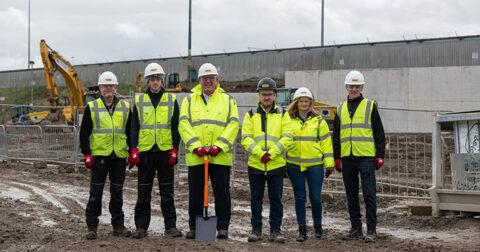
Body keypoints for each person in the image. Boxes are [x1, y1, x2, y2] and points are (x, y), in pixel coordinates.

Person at [178, 63, 239, 239]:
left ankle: (222, 227)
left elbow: (233, 124)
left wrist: (219, 146)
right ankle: (195, 227)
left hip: (219, 156)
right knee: (196, 192)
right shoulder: (189, 100)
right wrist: (195, 145)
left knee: (221, 192)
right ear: (199, 80)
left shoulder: (228, 100)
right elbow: (184, 123)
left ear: (216, 80)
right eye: (205, 78)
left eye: (211, 78)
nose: (208, 81)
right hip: (197, 156)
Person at [129, 63, 182, 239]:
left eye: (158, 79)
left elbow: (176, 127)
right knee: (143, 192)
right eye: (152, 79)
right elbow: (134, 127)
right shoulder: (139, 101)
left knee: (167, 192)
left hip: (165, 152)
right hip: (145, 153)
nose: (155, 82)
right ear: (147, 81)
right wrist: (133, 149)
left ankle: (171, 227)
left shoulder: (171, 100)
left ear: (162, 80)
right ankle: (141, 227)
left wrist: (175, 148)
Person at [332, 70, 385, 243]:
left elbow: (378, 132)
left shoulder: (370, 106)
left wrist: (379, 155)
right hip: (347, 158)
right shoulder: (340, 108)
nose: (353, 89)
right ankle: (356, 229)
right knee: (351, 195)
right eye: (351, 86)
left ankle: (371, 230)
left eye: (357, 86)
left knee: (369, 194)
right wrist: (337, 157)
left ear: (362, 87)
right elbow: (337, 134)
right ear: (346, 87)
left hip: (366, 158)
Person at [80, 71, 132, 240]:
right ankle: (92, 226)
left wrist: (133, 151)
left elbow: (130, 131)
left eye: (111, 85)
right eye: (105, 86)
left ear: (115, 88)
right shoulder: (92, 107)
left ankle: (118, 226)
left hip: (118, 156)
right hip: (99, 156)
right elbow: (84, 132)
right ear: (100, 88)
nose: (108, 88)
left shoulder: (125, 107)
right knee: (96, 192)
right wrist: (87, 154)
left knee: (117, 192)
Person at [241, 77, 293, 243]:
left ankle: (275, 231)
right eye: (263, 94)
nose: (266, 97)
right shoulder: (251, 114)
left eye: (269, 94)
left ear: (275, 95)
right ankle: (256, 230)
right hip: (256, 164)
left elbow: (287, 138)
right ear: (259, 95)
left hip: (276, 165)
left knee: (276, 200)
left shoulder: (283, 114)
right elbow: (246, 138)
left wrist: (270, 154)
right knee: (256, 199)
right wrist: (259, 153)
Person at [285, 87, 334, 242]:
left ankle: (318, 229)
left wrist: (329, 164)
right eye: (301, 101)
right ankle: (302, 231)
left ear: (311, 103)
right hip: (294, 165)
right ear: (296, 103)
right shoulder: (288, 120)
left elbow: (326, 143)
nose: (304, 103)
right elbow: (283, 141)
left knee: (315, 197)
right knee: (299, 198)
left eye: (306, 101)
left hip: (315, 166)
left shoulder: (319, 121)